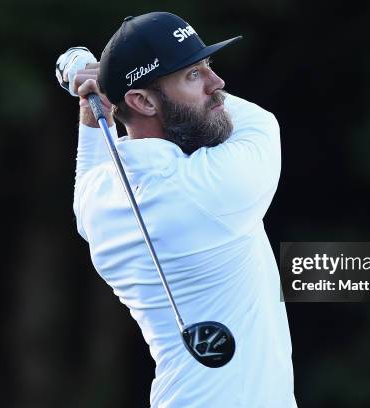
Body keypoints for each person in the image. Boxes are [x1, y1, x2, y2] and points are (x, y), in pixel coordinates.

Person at [71, 11, 296, 407]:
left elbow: (88, 180)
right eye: (193, 74)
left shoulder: (99, 200)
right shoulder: (212, 187)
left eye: (208, 65)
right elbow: (259, 122)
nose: (217, 83)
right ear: (140, 100)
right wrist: (101, 101)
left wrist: (96, 114)